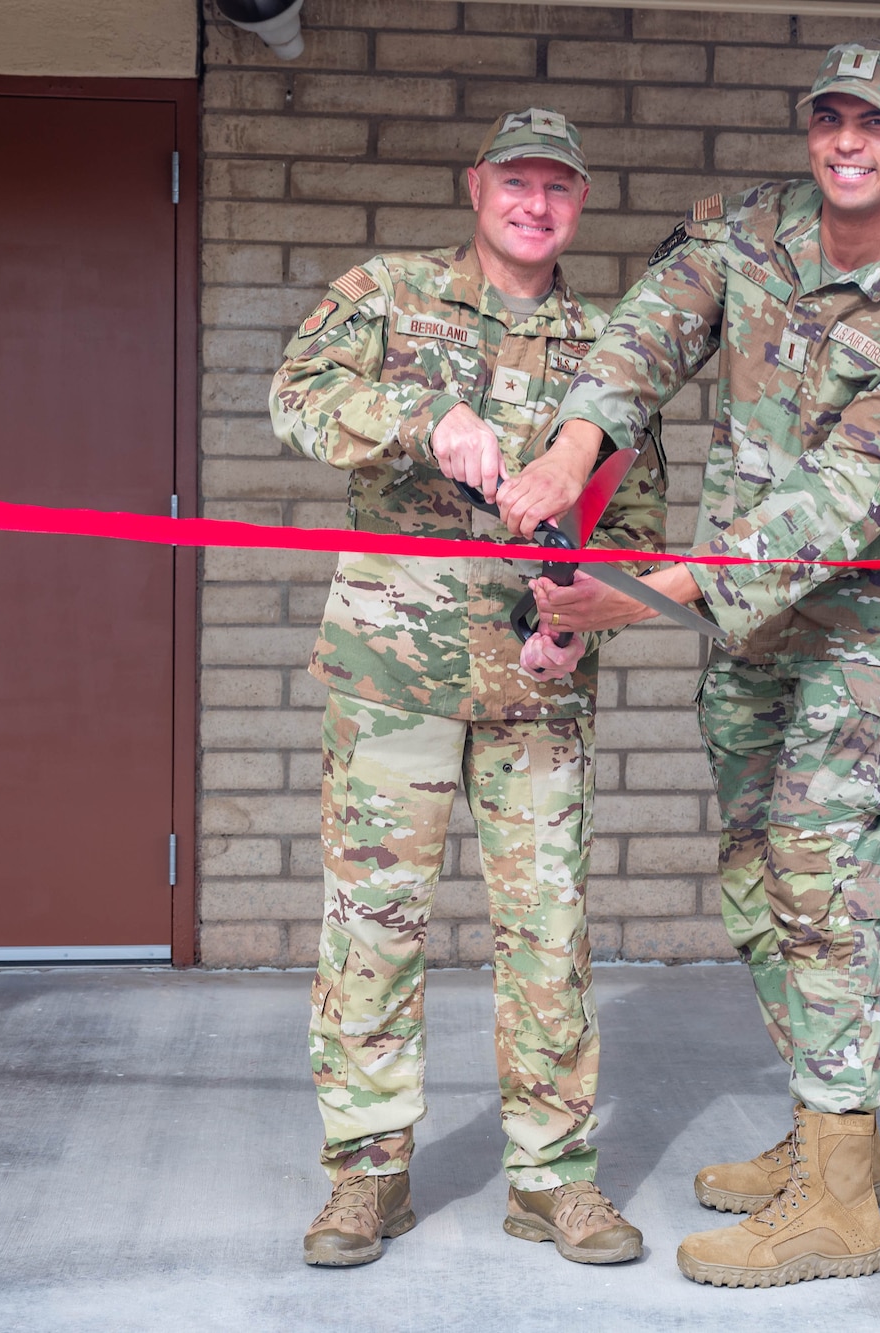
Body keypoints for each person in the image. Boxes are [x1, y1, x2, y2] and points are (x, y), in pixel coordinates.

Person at [507, 42, 880, 1287]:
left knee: (818, 891)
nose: (846, 142)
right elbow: (644, 338)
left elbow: (831, 509)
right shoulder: (750, 230)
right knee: (752, 886)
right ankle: (842, 1138)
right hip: (746, 634)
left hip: (854, 640)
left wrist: (639, 592)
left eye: (874, 124)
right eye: (828, 119)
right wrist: (570, 450)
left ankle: (838, 1207)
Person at [268, 107, 664, 1270]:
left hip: (535, 688)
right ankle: (366, 1176)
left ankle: (553, 1178)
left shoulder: (609, 347)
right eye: (516, 183)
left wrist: (582, 629)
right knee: (372, 927)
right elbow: (293, 396)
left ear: (578, 204)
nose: (534, 205)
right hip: (392, 673)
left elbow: (632, 525)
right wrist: (418, 415)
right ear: (476, 185)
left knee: (548, 932)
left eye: (559, 188)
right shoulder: (387, 293)